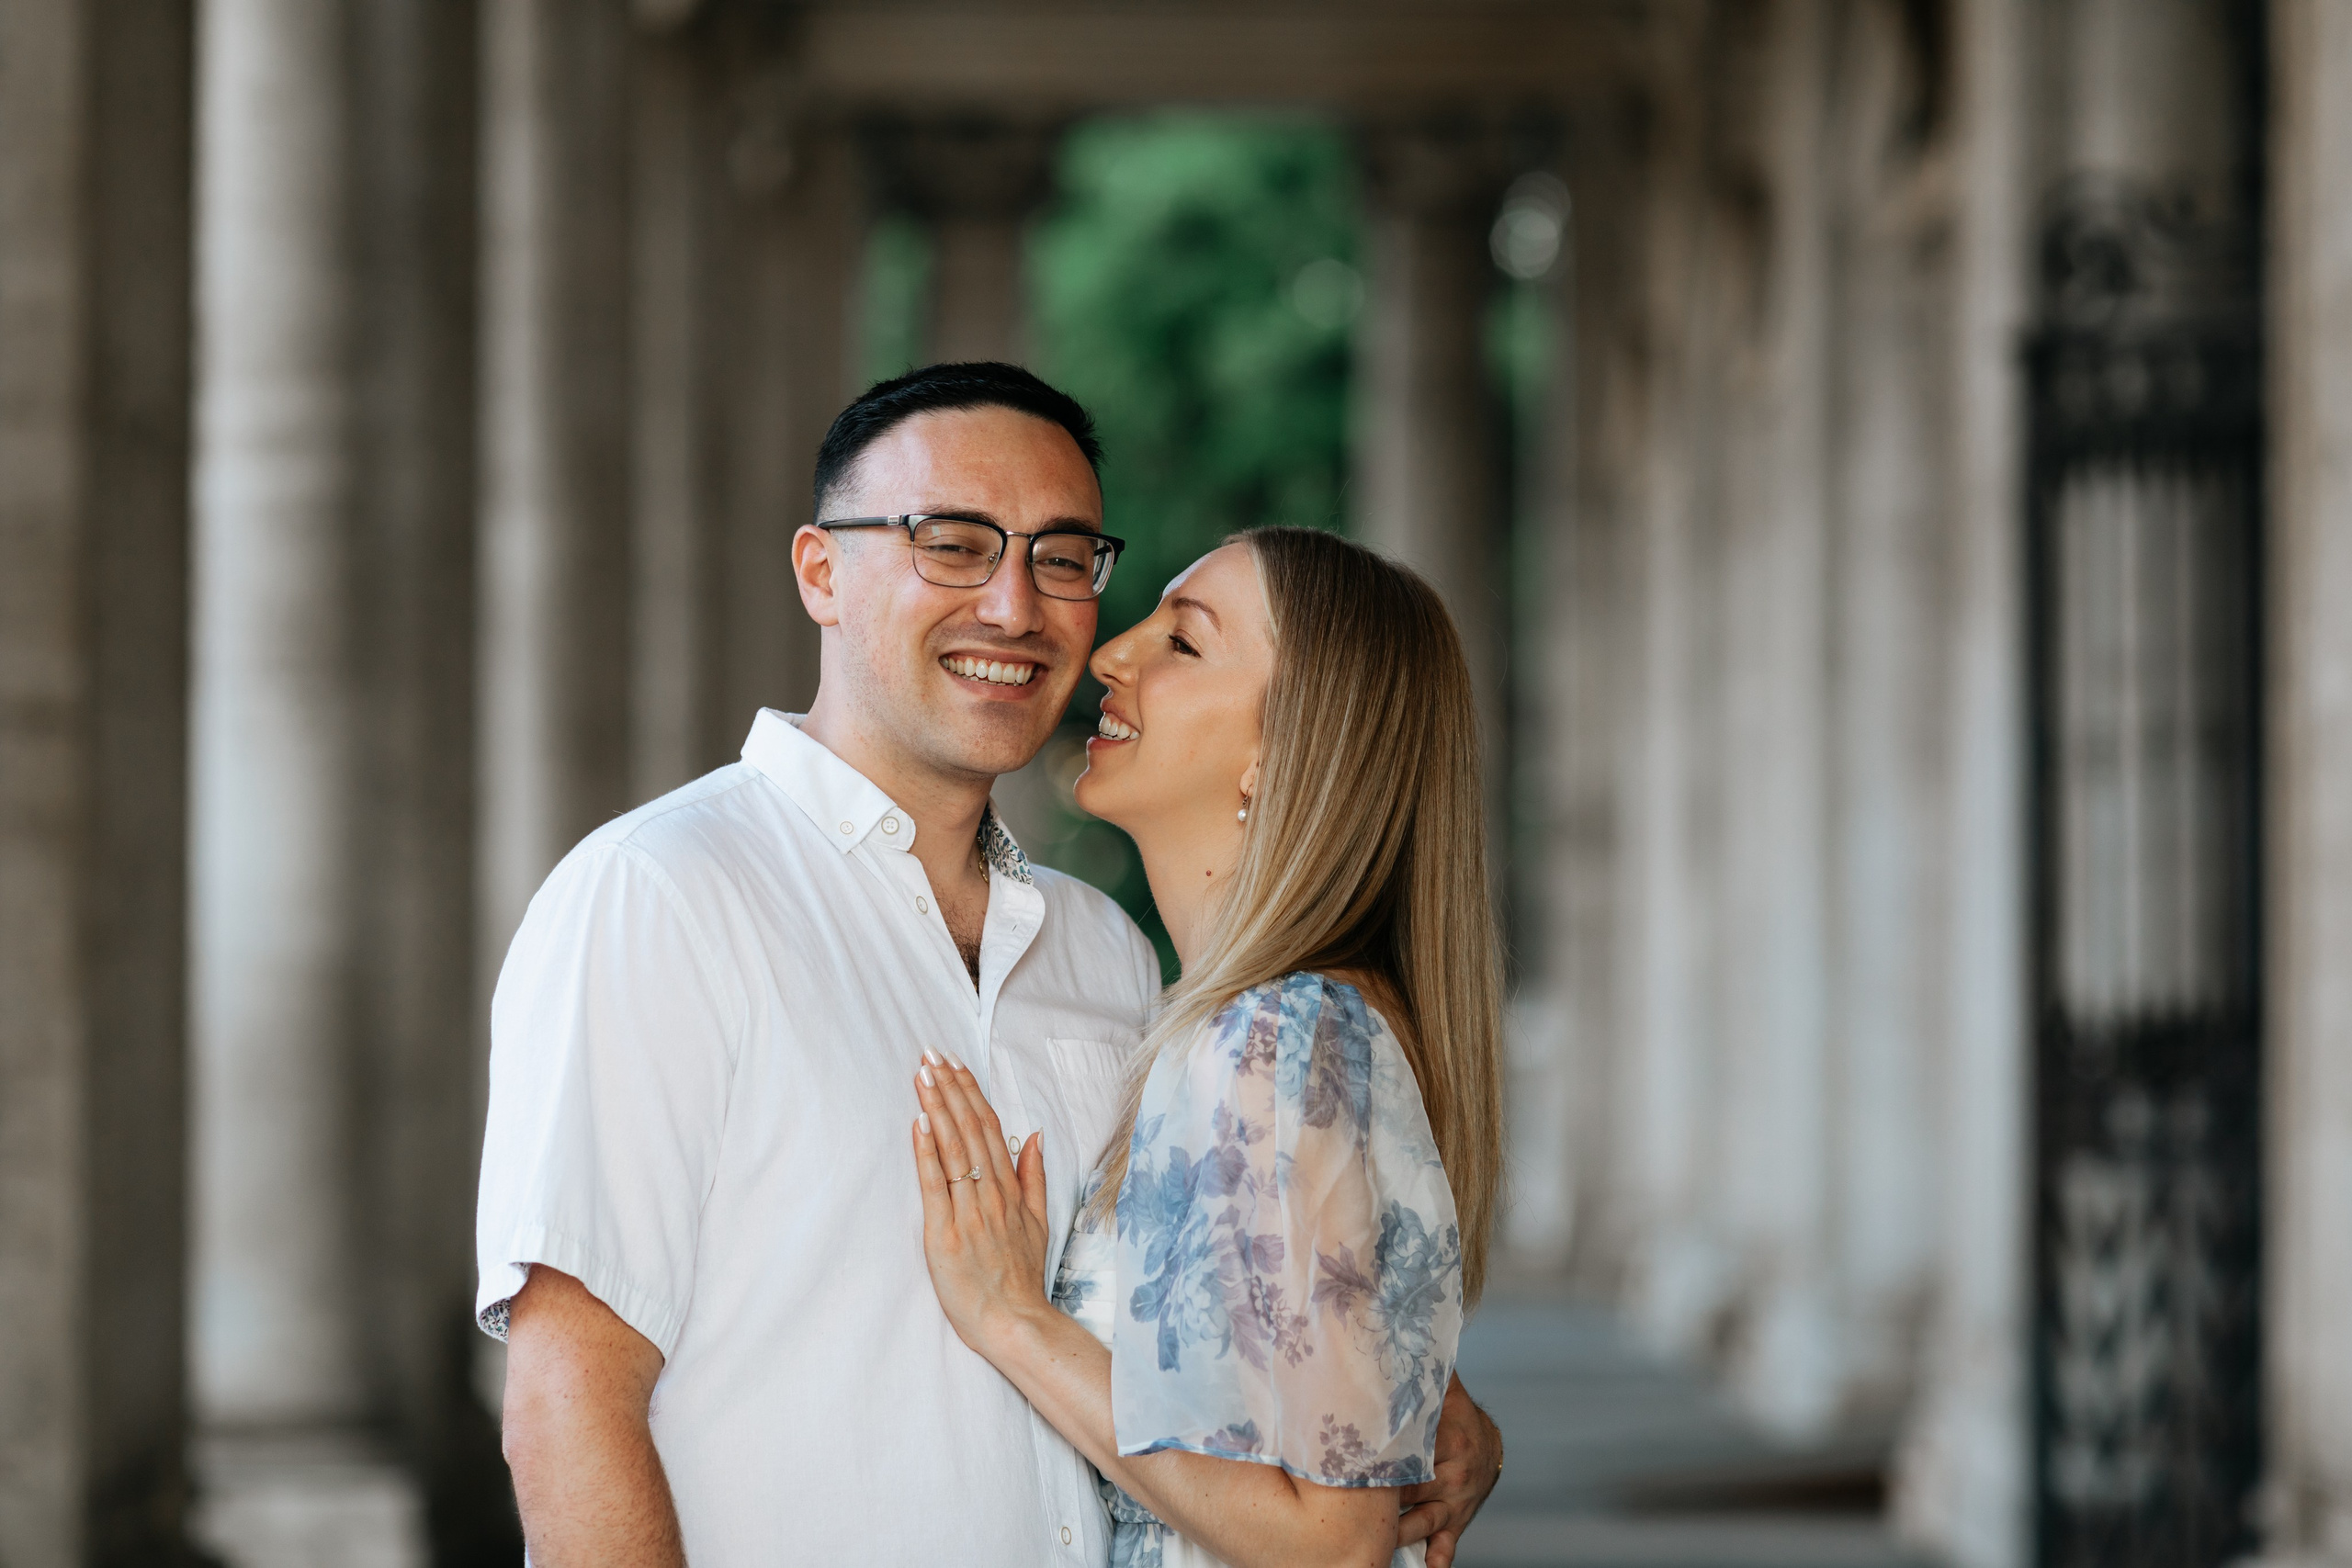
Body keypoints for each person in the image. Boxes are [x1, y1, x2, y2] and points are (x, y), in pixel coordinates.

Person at [475, 363, 1502, 1566]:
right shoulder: (665, 893)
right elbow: (566, 1402)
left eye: (1062, 558)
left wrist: (1413, 1393)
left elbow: (1226, 1315)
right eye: (953, 543)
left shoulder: (1113, 957)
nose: (1015, 605)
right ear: (821, 570)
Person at [909, 526, 1503, 1568]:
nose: (1109, 655)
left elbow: (1333, 1544)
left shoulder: (1274, 1037)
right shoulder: (1262, 1020)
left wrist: (1012, 1320)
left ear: (1286, 749)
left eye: (1183, 643)